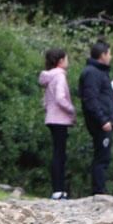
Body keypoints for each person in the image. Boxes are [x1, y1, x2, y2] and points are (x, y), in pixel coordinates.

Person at [78, 40, 113, 195]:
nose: (111, 57)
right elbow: (91, 99)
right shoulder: (92, 73)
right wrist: (103, 120)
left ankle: (100, 189)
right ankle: (99, 191)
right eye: (109, 53)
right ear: (103, 55)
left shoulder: (101, 72)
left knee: (104, 156)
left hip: (107, 120)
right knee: (101, 157)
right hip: (101, 122)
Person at [39, 48, 75, 200]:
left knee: (57, 153)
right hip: (60, 119)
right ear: (61, 61)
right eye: (66, 58)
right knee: (60, 154)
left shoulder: (49, 77)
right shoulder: (60, 77)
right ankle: (59, 190)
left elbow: (46, 100)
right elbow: (60, 98)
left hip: (51, 117)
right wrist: (71, 109)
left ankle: (57, 189)